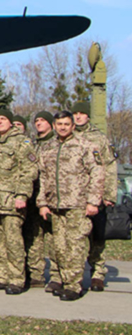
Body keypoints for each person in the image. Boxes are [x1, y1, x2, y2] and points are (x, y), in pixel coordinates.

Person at [37, 110, 104, 301]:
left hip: (78, 204)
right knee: (59, 246)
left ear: (73, 126)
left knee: (75, 246)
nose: (63, 127)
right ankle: (65, 281)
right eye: (59, 124)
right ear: (55, 126)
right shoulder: (48, 147)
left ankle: (74, 286)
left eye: (67, 124)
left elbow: (97, 174)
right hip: (55, 206)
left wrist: (93, 201)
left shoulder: (86, 146)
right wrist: (42, 203)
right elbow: (43, 177)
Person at [0, 109, 38, 295]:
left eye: (3, 119)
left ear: (11, 122)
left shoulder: (21, 142)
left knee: (13, 242)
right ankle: (1, 276)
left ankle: (16, 278)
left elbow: (29, 170)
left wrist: (22, 195)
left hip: (11, 202)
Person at [72, 101, 118, 292]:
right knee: (76, 238)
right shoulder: (69, 136)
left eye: (82, 113)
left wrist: (108, 194)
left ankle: (98, 273)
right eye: (76, 113)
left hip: (96, 195)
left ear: (88, 116)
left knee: (97, 237)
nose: (78, 116)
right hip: (74, 196)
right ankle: (75, 276)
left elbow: (109, 165)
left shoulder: (99, 138)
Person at [26, 111, 57, 289]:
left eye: (42, 121)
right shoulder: (32, 143)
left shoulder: (56, 143)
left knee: (53, 238)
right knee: (34, 237)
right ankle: (36, 274)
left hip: (50, 197)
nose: (39, 124)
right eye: (36, 121)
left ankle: (56, 275)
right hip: (34, 196)